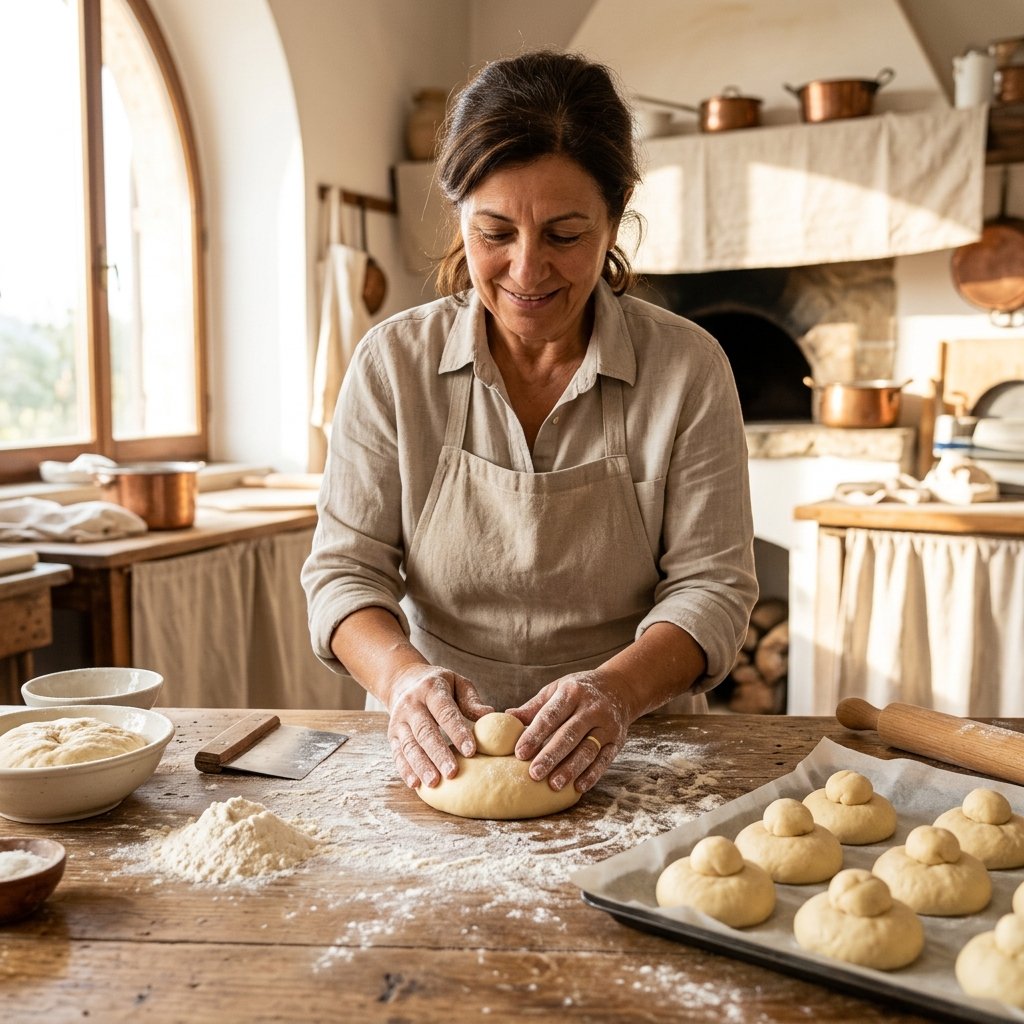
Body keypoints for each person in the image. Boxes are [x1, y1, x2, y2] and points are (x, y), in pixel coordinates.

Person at [302, 50, 757, 799]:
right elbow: (344, 572)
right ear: (458, 215)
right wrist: (404, 679)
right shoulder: (393, 365)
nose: (526, 269)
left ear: (616, 216)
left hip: (642, 751)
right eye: (495, 232)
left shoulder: (688, 368)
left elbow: (713, 587)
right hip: (438, 755)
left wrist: (612, 695)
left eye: (566, 234)